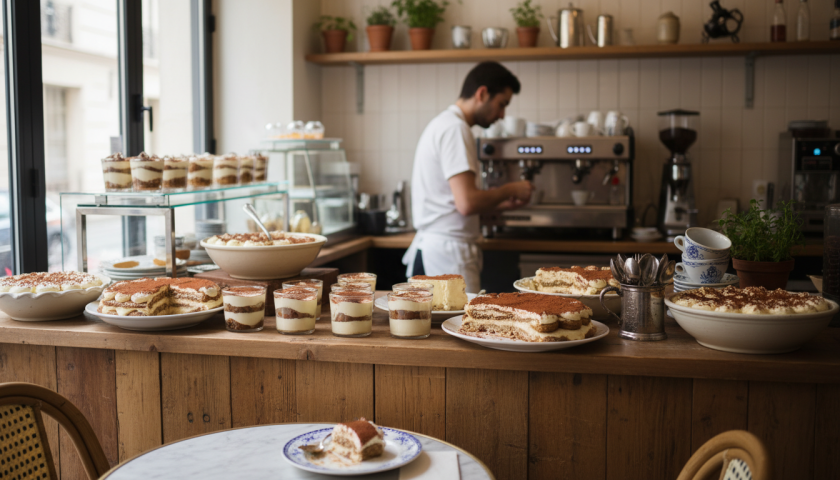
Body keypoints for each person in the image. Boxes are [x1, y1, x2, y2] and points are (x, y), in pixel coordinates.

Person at [402, 61, 534, 293]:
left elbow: (454, 203)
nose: (502, 115)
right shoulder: (455, 129)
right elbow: (467, 203)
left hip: (439, 251)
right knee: (459, 327)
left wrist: (502, 204)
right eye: (501, 104)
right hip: (448, 256)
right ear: (482, 93)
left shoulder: (443, 124)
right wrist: (510, 189)